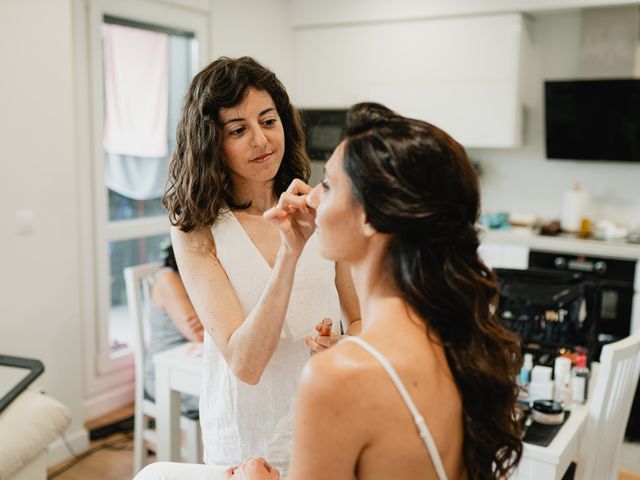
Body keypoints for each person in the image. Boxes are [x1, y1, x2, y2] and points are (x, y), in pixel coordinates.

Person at [136, 102, 523, 480]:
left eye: (329, 184)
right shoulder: (453, 341)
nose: (311, 196)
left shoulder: (337, 377)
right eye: (238, 130)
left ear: (370, 217)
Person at [161, 56, 361, 474]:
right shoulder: (198, 230)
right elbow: (244, 364)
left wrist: (348, 345)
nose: (261, 141)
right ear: (210, 142)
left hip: (328, 426)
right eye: (238, 130)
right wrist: (291, 252)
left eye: (268, 121)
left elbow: (359, 319)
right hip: (246, 446)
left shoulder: (319, 205)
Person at [144, 244, 202, 414]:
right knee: (228, 396)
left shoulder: (196, 278)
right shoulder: (168, 279)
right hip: (165, 374)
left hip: (195, 363)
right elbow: (198, 334)